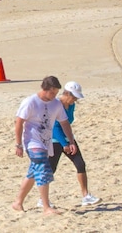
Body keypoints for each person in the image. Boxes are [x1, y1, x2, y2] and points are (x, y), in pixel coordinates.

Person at [12, 76, 78, 215]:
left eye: (56, 93)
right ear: (45, 89)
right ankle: (46, 207)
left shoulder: (56, 104)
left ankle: (18, 202)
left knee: (33, 172)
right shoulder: (30, 102)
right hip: (32, 142)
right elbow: (19, 122)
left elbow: (64, 123)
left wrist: (71, 141)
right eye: (52, 93)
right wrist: (18, 144)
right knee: (42, 168)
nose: (55, 96)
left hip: (46, 143)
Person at [46, 81, 100, 207]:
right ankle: (43, 199)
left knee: (80, 164)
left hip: (67, 138)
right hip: (54, 140)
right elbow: (55, 127)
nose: (75, 100)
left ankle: (86, 196)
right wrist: (65, 143)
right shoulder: (55, 105)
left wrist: (71, 141)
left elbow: (67, 124)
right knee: (50, 169)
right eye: (74, 97)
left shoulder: (71, 106)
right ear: (66, 94)